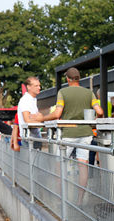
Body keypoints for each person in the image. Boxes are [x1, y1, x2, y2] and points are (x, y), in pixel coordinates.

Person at [43, 67, 104, 204]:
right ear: (79, 78)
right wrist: (93, 120)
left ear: (67, 79)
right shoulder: (89, 93)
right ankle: (79, 200)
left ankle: (61, 199)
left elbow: (57, 114)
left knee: (60, 165)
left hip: (68, 133)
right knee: (83, 165)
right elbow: (99, 111)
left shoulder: (63, 92)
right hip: (86, 133)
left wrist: (42, 118)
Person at [17, 77, 44, 147]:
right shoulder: (26, 100)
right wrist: (41, 120)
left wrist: (39, 118)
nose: (39, 88)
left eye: (39, 85)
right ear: (28, 87)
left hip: (33, 138)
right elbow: (27, 120)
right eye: (36, 86)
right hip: (30, 140)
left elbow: (35, 118)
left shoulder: (32, 99)